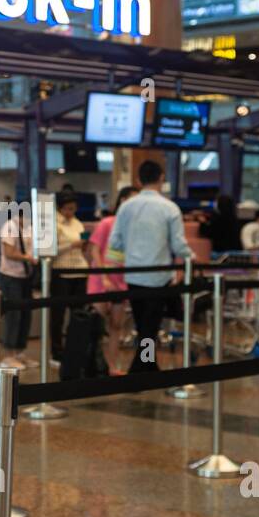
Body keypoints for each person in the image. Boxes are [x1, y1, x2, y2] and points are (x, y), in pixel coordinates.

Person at [108, 160, 192, 373]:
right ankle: (141, 370)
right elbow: (178, 244)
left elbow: (115, 241)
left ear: (138, 180)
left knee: (144, 325)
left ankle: (148, 365)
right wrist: (191, 256)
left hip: (133, 275)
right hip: (158, 276)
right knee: (149, 327)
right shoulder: (169, 208)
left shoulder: (126, 207)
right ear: (161, 178)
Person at [89, 186, 137, 372]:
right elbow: (94, 250)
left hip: (121, 282)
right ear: (122, 200)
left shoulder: (134, 228)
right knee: (97, 327)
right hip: (101, 282)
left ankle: (111, 366)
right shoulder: (107, 223)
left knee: (116, 326)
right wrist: (104, 278)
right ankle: (94, 365)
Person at [50, 190, 90, 363]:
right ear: (59, 208)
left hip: (80, 270)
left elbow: (82, 247)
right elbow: (50, 251)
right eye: (67, 209)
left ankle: (76, 349)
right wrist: (70, 245)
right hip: (61, 271)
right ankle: (57, 351)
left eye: (73, 209)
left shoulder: (78, 223)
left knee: (78, 314)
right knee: (58, 315)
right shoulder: (53, 224)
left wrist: (83, 245)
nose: (70, 212)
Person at [0, 206, 37, 369]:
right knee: (14, 316)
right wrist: (27, 257)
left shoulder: (28, 229)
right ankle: (8, 355)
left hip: (25, 276)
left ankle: (20, 352)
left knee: (26, 315)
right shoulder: (10, 227)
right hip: (10, 277)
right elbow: (9, 252)